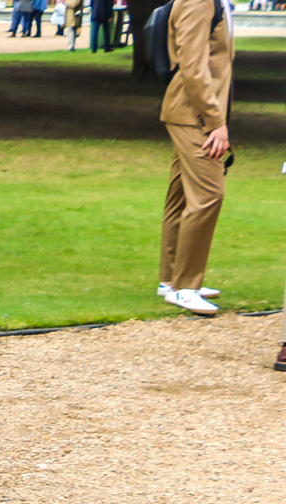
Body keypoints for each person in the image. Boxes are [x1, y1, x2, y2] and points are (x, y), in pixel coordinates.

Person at [157, 0, 233, 315]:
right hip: (195, 115)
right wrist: (216, 122)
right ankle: (184, 286)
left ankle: (171, 280)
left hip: (192, 113)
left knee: (179, 196)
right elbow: (192, 63)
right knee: (208, 194)